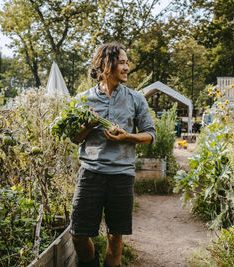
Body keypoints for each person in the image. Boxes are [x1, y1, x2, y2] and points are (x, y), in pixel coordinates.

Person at [70, 42, 156, 267]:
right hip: (90, 174)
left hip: (121, 175)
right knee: (78, 234)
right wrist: (87, 126)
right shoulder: (82, 100)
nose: (127, 67)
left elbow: (150, 135)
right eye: (122, 62)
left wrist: (127, 137)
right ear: (106, 65)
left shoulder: (136, 99)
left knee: (115, 236)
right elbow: (75, 138)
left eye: (127, 63)